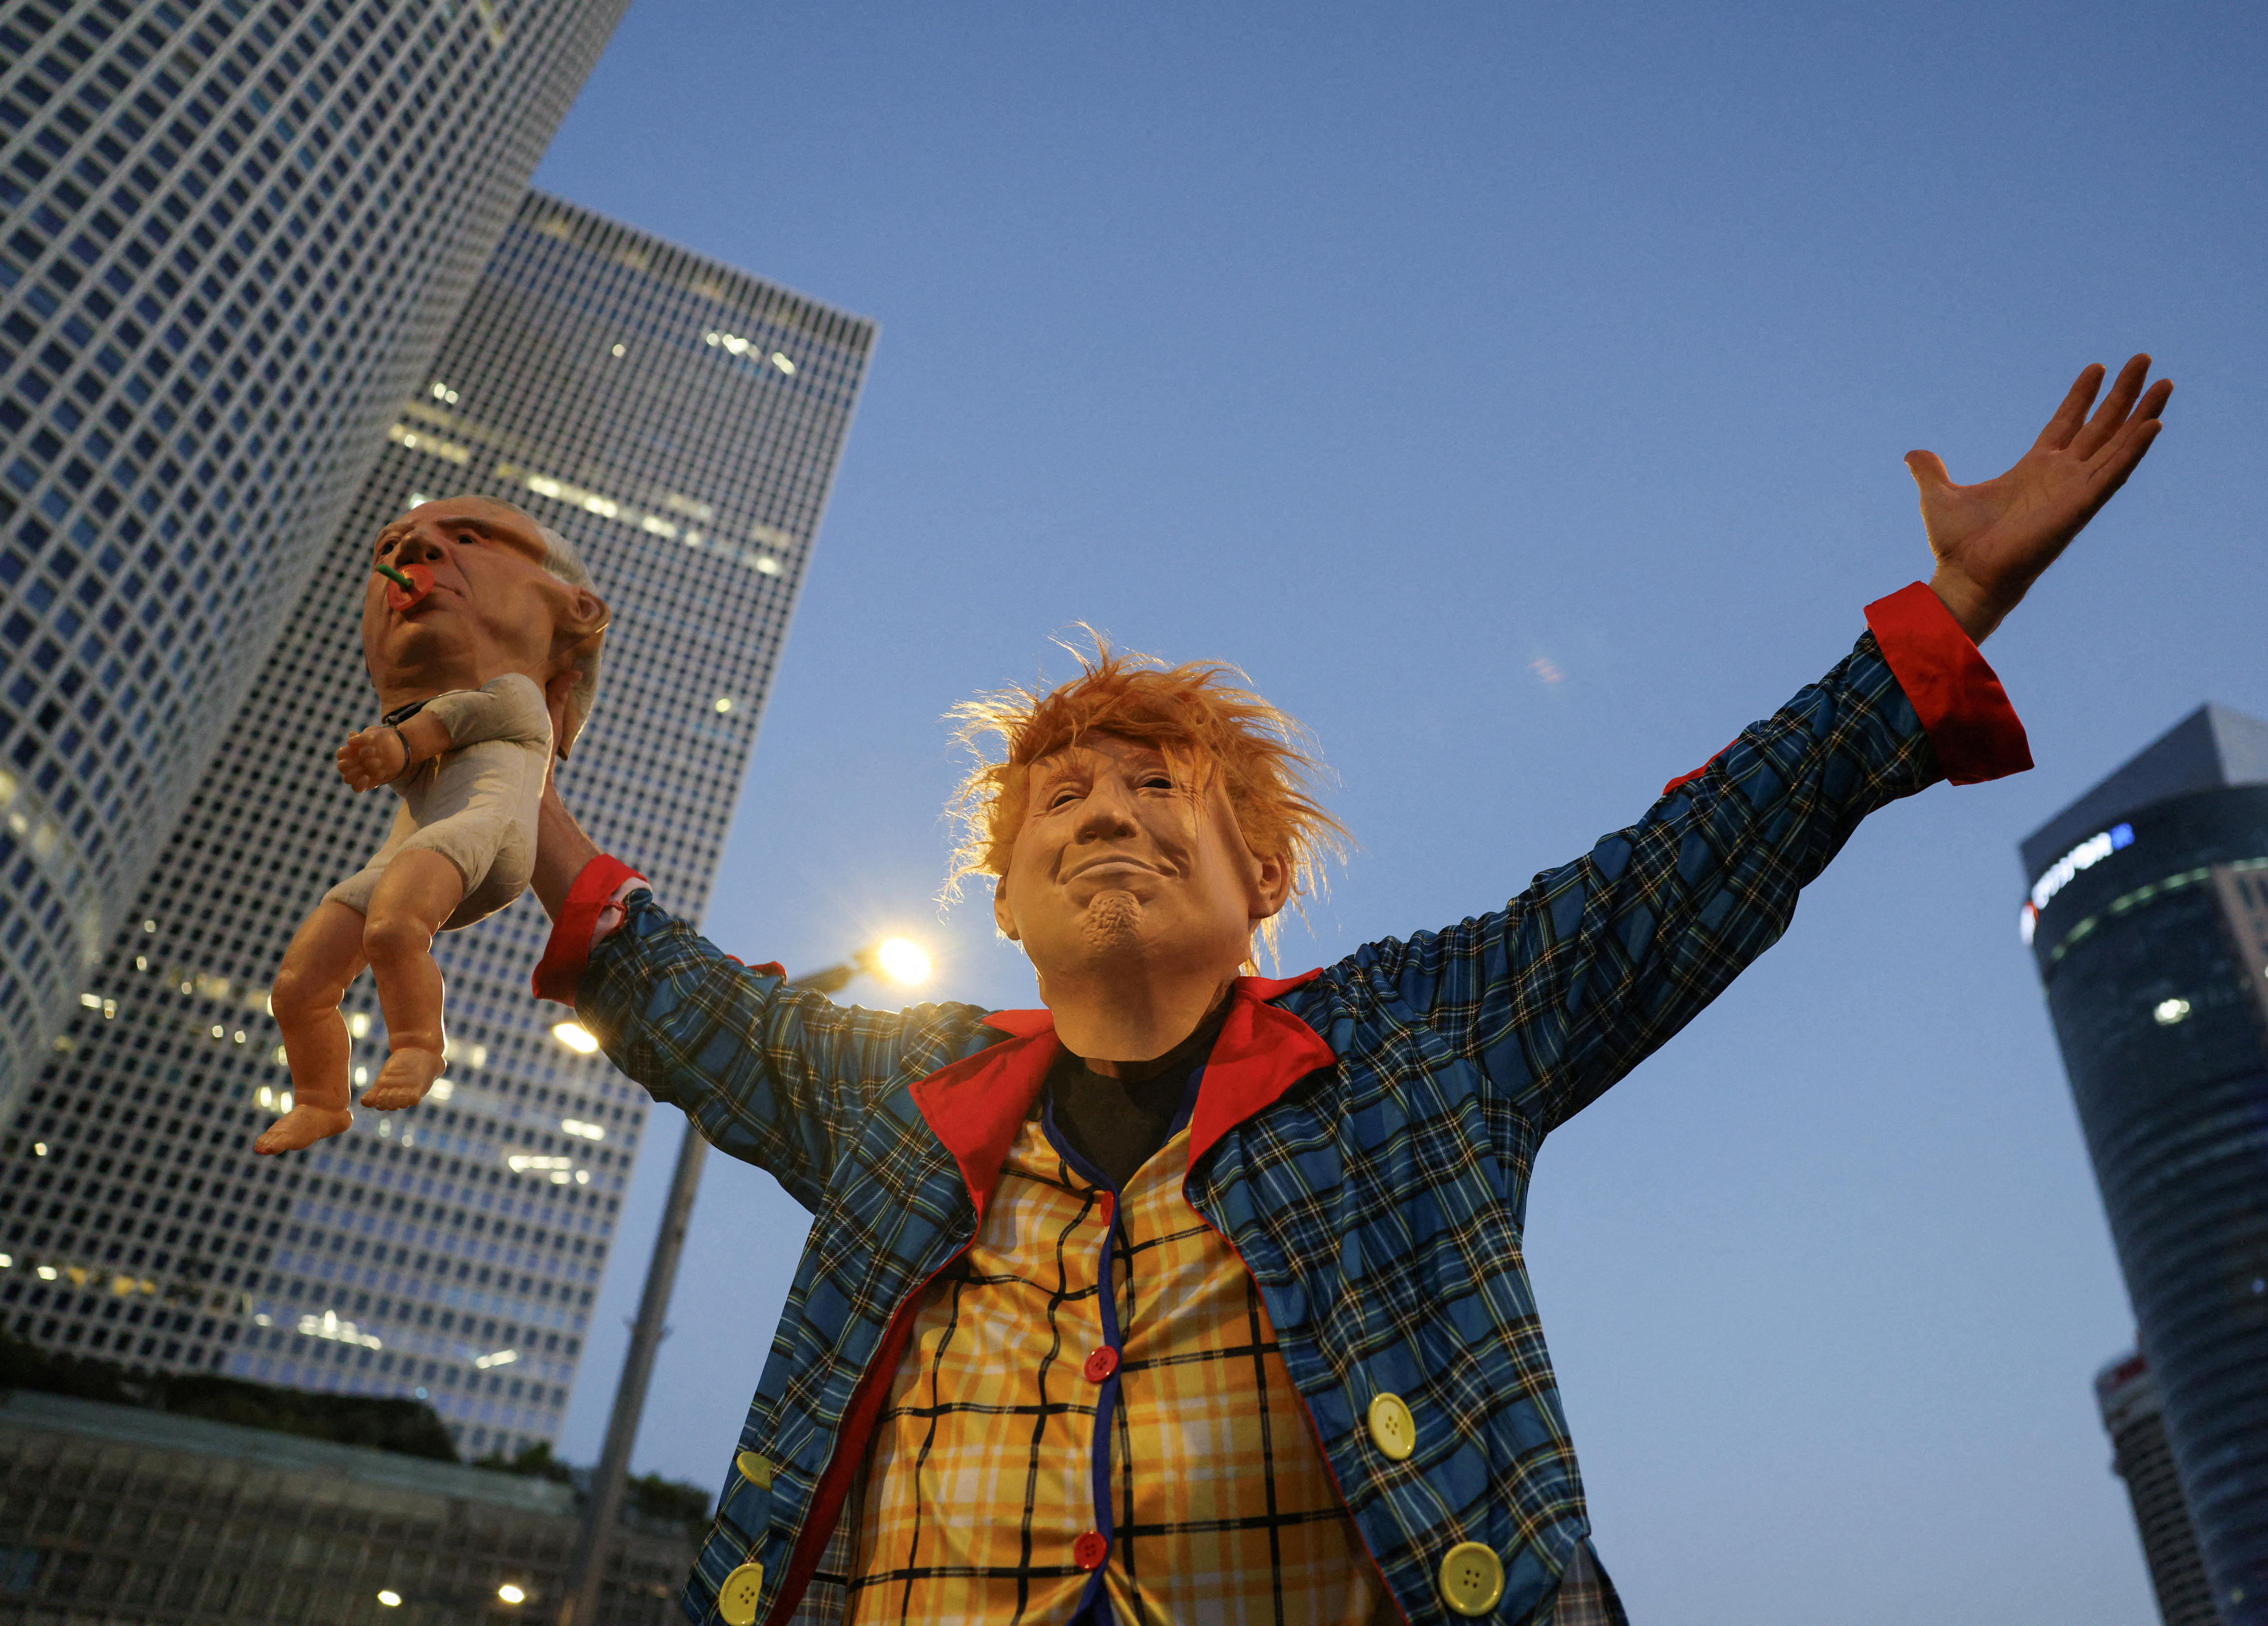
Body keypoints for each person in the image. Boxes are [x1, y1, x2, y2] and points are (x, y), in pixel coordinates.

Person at [525, 359, 2170, 1626]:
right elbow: (667, 984)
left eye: (1165, 791)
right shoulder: (892, 1090)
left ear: (1262, 883)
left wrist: (1945, 613)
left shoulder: (1417, 1041)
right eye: (1064, 800)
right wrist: (500, 753)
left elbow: (1695, 860)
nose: (1108, 807)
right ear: (1007, 899)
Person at [256, 496, 608, 1155]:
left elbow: (450, 722)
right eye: (388, 548)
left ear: (576, 610)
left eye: (471, 538)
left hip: (485, 833)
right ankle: (320, 1099)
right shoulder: (412, 713)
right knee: (300, 986)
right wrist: (383, 749)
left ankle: (421, 1043)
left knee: (393, 925)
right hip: (412, 851)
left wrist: (393, 748)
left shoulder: (515, 694)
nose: (409, 555)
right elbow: (418, 740)